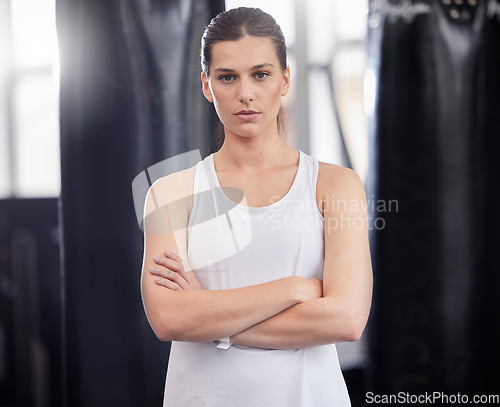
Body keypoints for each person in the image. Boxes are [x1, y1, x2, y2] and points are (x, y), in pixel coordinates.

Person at [140, 7, 372, 407]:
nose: (245, 93)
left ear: (284, 79)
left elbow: (346, 319)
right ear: (207, 85)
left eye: (260, 74)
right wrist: (294, 289)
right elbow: (169, 319)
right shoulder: (169, 193)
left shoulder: (336, 185)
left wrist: (213, 321)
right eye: (227, 77)